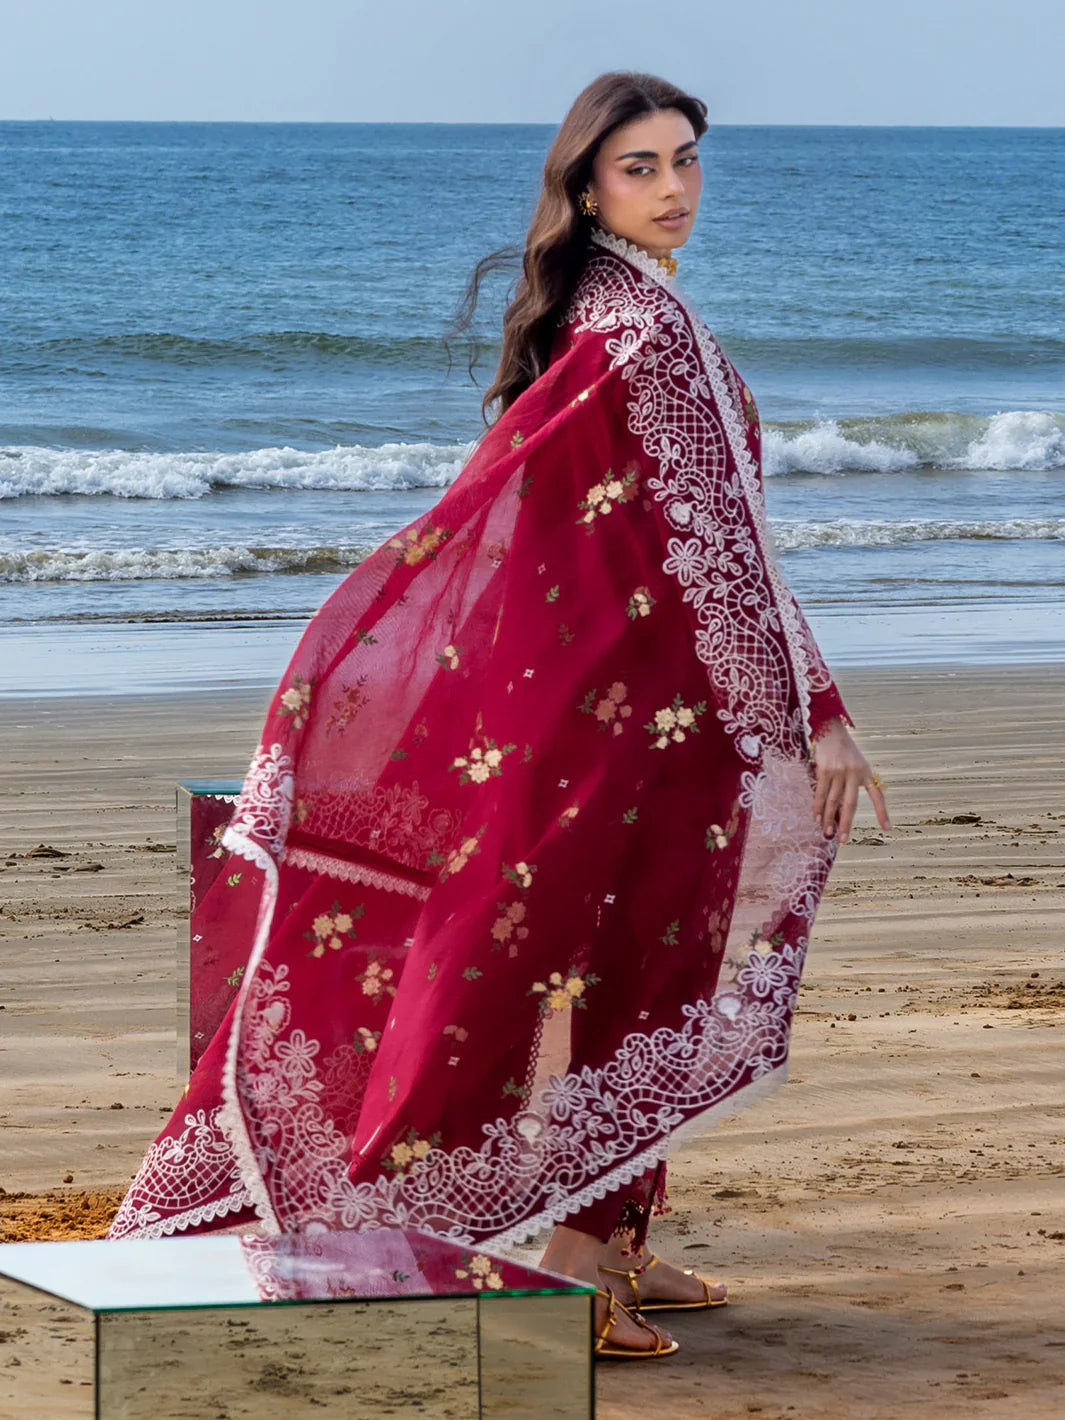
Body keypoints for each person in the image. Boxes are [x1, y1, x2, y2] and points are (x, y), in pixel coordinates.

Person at [108, 72, 891, 1360]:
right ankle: (563, 1268)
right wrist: (822, 716)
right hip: (631, 723)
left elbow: (705, 539)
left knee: (638, 958)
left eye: (687, 159)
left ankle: (617, 1243)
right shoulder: (640, 330)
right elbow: (729, 550)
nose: (676, 188)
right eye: (641, 168)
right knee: (604, 970)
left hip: (634, 707)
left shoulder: (609, 309)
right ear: (586, 186)